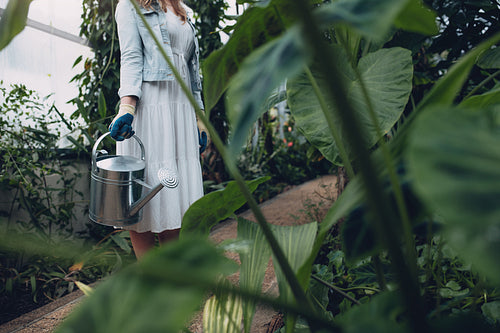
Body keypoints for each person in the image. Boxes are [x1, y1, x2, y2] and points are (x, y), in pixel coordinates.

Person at [110, 0, 208, 259]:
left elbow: (191, 68)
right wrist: (128, 107)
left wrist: (199, 117)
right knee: (148, 192)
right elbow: (130, 57)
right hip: (151, 108)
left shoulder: (183, 9)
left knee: (174, 196)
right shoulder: (130, 5)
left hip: (181, 111)